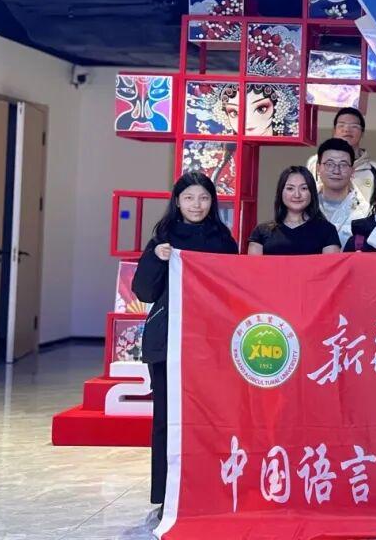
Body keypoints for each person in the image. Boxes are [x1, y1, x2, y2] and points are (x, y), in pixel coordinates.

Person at [131, 173, 238, 517]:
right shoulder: (163, 239)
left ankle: (209, 489)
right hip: (168, 342)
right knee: (167, 419)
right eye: (189, 198)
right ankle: (168, 494)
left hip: (211, 344)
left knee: (210, 419)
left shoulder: (223, 241)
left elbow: (234, 292)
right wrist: (156, 258)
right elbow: (143, 292)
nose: (196, 205)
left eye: (204, 198)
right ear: (177, 201)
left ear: (212, 202)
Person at [247, 166, 341, 255]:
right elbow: (253, 266)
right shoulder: (261, 232)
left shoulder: (327, 231)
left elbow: (332, 266)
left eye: (304, 188)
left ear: (312, 193)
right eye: (290, 188)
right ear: (281, 192)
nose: (297, 195)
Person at [306, 107, 376, 202]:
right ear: (334, 130)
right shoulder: (314, 162)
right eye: (341, 125)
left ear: (362, 132)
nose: (347, 130)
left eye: (354, 126)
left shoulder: (375, 170)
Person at [312, 138, 370, 248]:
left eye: (343, 165)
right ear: (318, 168)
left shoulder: (366, 212)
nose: (336, 171)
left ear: (352, 171)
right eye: (329, 164)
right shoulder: (305, 205)